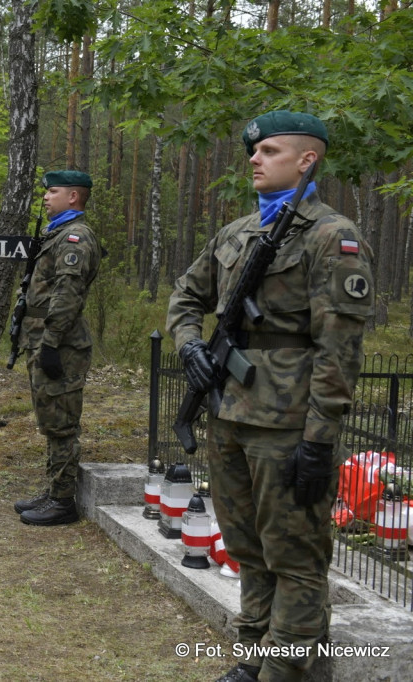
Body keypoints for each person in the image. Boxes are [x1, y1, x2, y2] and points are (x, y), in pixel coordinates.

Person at [166, 111, 374, 682]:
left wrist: (320, 439)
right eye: (253, 152)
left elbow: (340, 349)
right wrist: (189, 348)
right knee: (248, 550)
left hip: (288, 424)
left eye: (271, 150)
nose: (254, 158)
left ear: (308, 159)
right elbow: (186, 296)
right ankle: (253, 658)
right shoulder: (236, 233)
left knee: (296, 560)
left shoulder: (333, 236)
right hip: (229, 413)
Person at [13, 170, 102, 526]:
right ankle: (55, 489)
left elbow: (67, 296)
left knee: (62, 423)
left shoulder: (74, 239)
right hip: (43, 339)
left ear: (73, 197)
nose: (46, 197)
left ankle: (63, 501)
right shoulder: (57, 234)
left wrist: (50, 343)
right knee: (50, 419)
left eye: (53, 191)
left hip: (60, 344)